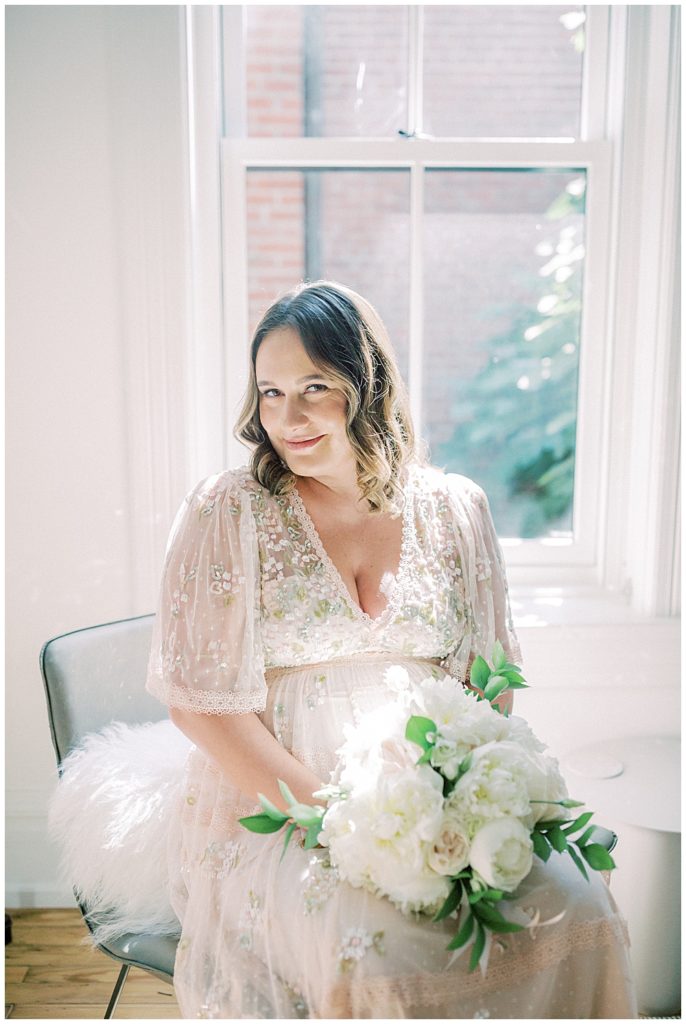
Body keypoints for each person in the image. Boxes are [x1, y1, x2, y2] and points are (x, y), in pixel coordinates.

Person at [146, 281, 637, 1018]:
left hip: (436, 795)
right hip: (281, 804)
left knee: (581, 905)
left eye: (316, 387)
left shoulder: (455, 507)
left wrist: (458, 803)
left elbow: (488, 685)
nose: (290, 417)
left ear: (367, 385)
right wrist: (335, 818)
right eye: (272, 391)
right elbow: (201, 707)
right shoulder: (231, 510)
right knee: (377, 949)